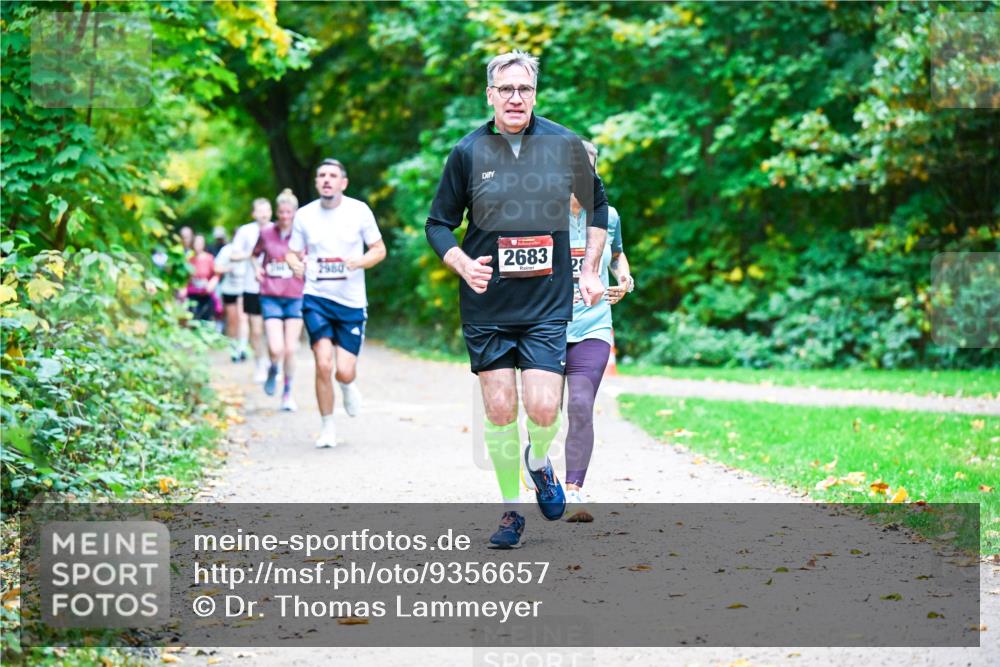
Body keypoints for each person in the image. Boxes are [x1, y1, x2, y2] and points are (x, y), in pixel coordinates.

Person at [425, 51, 608, 548]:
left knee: (545, 410)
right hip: (487, 305)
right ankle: (511, 510)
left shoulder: (564, 145)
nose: (514, 98)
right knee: (502, 410)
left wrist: (590, 269)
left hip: (547, 303)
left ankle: (538, 461)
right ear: (489, 95)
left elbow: (597, 206)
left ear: (534, 94)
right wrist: (461, 263)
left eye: (523, 89)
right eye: (504, 89)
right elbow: (438, 223)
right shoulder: (467, 153)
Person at [286, 159, 386, 448]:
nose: (327, 180)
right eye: (322, 175)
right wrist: (295, 265)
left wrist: (360, 261)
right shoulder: (304, 216)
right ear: (317, 183)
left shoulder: (359, 211)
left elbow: (379, 250)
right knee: (322, 362)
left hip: (351, 302)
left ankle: (347, 384)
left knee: (343, 369)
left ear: (343, 182)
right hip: (316, 297)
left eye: (333, 176)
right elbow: (292, 253)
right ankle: (327, 426)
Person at [563, 141, 634, 522]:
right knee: (542, 413)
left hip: (593, 325)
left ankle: (574, 491)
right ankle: (538, 475)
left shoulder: (609, 215)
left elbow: (619, 254)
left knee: (579, 405)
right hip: (547, 326)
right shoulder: (542, 213)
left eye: (588, 167)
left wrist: (624, 277)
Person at [253, 188, 305, 411]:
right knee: (276, 348)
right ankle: (273, 367)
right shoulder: (266, 233)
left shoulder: (303, 234)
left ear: (295, 212)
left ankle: (287, 392)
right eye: (281, 212)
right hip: (271, 295)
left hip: (295, 295)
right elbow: (254, 255)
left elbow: (312, 256)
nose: (285, 216)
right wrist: (257, 269)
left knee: (290, 348)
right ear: (277, 212)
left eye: (289, 212)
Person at [231, 199, 272, 383]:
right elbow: (234, 255)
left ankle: (274, 363)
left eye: (267, 210)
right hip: (251, 286)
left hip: (275, 287)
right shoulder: (245, 231)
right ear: (253, 213)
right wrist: (252, 254)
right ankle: (260, 364)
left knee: (273, 329)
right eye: (260, 211)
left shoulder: (277, 230)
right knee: (256, 330)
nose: (263, 214)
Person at [213, 237, 248, 362]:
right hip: (229, 290)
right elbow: (216, 268)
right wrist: (229, 268)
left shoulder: (250, 249)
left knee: (243, 317)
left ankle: (242, 348)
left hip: (244, 289)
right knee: (232, 320)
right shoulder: (226, 250)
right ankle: (233, 349)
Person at [185, 234, 218, 321]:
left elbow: (216, 274)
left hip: (206, 293)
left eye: (200, 243)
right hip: (192, 293)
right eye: (196, 243)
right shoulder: (189, 258)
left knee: (206, 318)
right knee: (192, 317)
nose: (198, 245)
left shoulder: (209, 258)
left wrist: (211, 284)